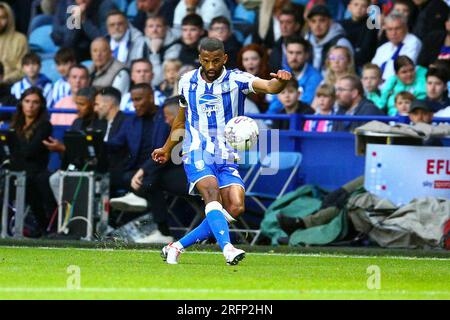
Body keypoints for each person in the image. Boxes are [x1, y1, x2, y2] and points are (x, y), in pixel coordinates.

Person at [152, 37, 293, 265]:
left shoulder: (237, 79)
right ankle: (227, 248)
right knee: (211, 192)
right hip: (196, 149)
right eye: (206, 61)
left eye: (216, 61)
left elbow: (270, 87)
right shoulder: (186, 81)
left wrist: (282, 81)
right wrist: (167, 148)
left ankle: (175, 246)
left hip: (226, 154)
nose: (210, 66)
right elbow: (180, 121)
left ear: (224, 59)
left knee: (236, 206)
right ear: (199, 58)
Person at [110, 95, 188, 244]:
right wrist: (143, 171)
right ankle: (141, 194)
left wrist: (142, 172)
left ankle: (162, 229)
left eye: (167, 117)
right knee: (155, 175)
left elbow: (171, 156)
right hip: (187, 174)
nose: (166, 121)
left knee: (155, 180)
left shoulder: (185, 131)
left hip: (198, 178)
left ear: (178, 115)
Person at [10, 87, 55, 235]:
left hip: (34, 171)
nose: (30, 106)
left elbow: (30, 150)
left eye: (35, 102)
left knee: (31, 183)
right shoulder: (15, 124)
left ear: (40, 105)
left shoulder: (45, 126)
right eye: (27, 101)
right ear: (21, 103)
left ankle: (42, 225)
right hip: (14, 168)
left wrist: (13, 151)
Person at [266, 36, 323, 113]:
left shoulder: (315, 77)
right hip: (280, 120)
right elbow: (275, 103)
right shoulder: (282, 73)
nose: (294, 57)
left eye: (298, 53)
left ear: (306, 55)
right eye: (291, 52)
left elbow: (305, 104)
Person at [51, 0, 117, 61]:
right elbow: (68, 42)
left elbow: (105, 40)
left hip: (101, 52)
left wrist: (84, 21)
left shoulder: (106, 6)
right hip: (80, 52)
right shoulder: (73, 7)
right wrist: (76, 18)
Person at [371, 11, 422, 83]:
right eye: (390, 29)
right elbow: (372, 70)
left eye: (397, 28)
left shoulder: (413, 42)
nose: (393, 33)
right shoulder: (382, 48)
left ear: (406, 28)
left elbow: (405, 69)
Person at [305, 4, 353, 72]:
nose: (317, 25)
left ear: (330, 22)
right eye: (313, 21)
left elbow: (349, 70)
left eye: (322, 20)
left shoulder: (341, 42)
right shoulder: (306, 40)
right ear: (309, 24)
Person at [139, 16, 181, 87]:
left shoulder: (175, 46)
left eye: (158, 26)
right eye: (151, 26)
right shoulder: (140, 43)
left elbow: (158, 80)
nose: (154, 30)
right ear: (145, 30)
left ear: (166, 29)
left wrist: (154, 53)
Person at [340, 0, 378, 70]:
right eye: (356, 5)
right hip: (342, 61)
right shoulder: (341, 25)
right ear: (349, 7)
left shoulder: (371, 25)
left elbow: (366, 51)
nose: (359, 8)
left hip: (361, 65)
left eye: (363, 6)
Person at [236, 44, 271, 113]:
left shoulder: (270, 79)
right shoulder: (236, 81)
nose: (250, 62)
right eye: (246, 59)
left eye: (254, 59)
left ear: (261, 60)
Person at [267, 7, 303, 72]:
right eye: (281, 22)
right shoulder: (275, 47)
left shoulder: (305, 47)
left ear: (297, 26)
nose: (284, 26)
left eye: (288, 22)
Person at [0, 2, 28, 83]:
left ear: (9, 19)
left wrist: (3, 80)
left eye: (2, 17)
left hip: (10, 85)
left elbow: (22, 70)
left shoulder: (20, 39)